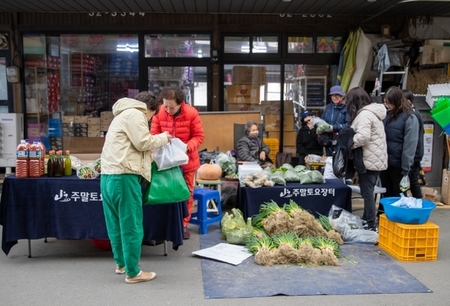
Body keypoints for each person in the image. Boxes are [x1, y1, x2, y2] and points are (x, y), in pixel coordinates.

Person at [101, 91, 172, 284]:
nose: (150, 120)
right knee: (131, 225)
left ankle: (122, 264)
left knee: (115, 223)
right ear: (150, 109)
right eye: (152, 116)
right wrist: (164, 137)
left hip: (108, 175)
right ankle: (133, 272)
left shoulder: (121, 114)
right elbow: (143, 142)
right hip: (124, 177)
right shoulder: (136, 114)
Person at [150, 86, 204, 240]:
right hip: (165, 160)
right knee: (163, 191)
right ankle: (163, 224)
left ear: (181, 103)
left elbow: (199, 136)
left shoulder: (192, 113)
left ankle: (183, 224)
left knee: (185, 192)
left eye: (171, 107)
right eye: (165, 106)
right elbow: (153, 133)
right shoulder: (160, 112)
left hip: (187, 159)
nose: (168, 109)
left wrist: (188, 147)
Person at [345, 87, 388, 232]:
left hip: (370, 160)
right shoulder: (372, 113)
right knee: (368, 191)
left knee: (367, 193)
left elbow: (363, 136)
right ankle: (366, 220)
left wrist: (349, 144)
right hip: (375, 158)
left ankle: (370, 224)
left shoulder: (364, 115)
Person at [379, 86, 419, 215]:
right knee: (385, 193)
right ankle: (384, 218)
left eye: (389, 103)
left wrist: (406, 168)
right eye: (385, 102)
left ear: (397, 101)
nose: (387, 105)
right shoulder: (386, 115)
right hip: (385, 163)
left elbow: (410, 145)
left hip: (399, 165)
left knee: (398, 195)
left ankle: (397, 218)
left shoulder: (410, 118)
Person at [403, 89, 425, 198]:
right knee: (413, 181)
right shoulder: (414, 112)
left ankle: (418, 202)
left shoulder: (413, 115)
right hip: (416, 153)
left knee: (412, 181)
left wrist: (414, 156)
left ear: (408, 100)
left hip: (414, 154)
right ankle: (418, 202)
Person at [321, 85, 350, 156]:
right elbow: (322, 121)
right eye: (332, 96)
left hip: (341, 141)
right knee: (329, 162)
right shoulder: (328, 107)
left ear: (341, 96)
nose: (334, 98)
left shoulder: (346, 108)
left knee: (339, 163)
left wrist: (333, 127)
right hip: (329, 140)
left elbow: (348, 125)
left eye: (336, 95)